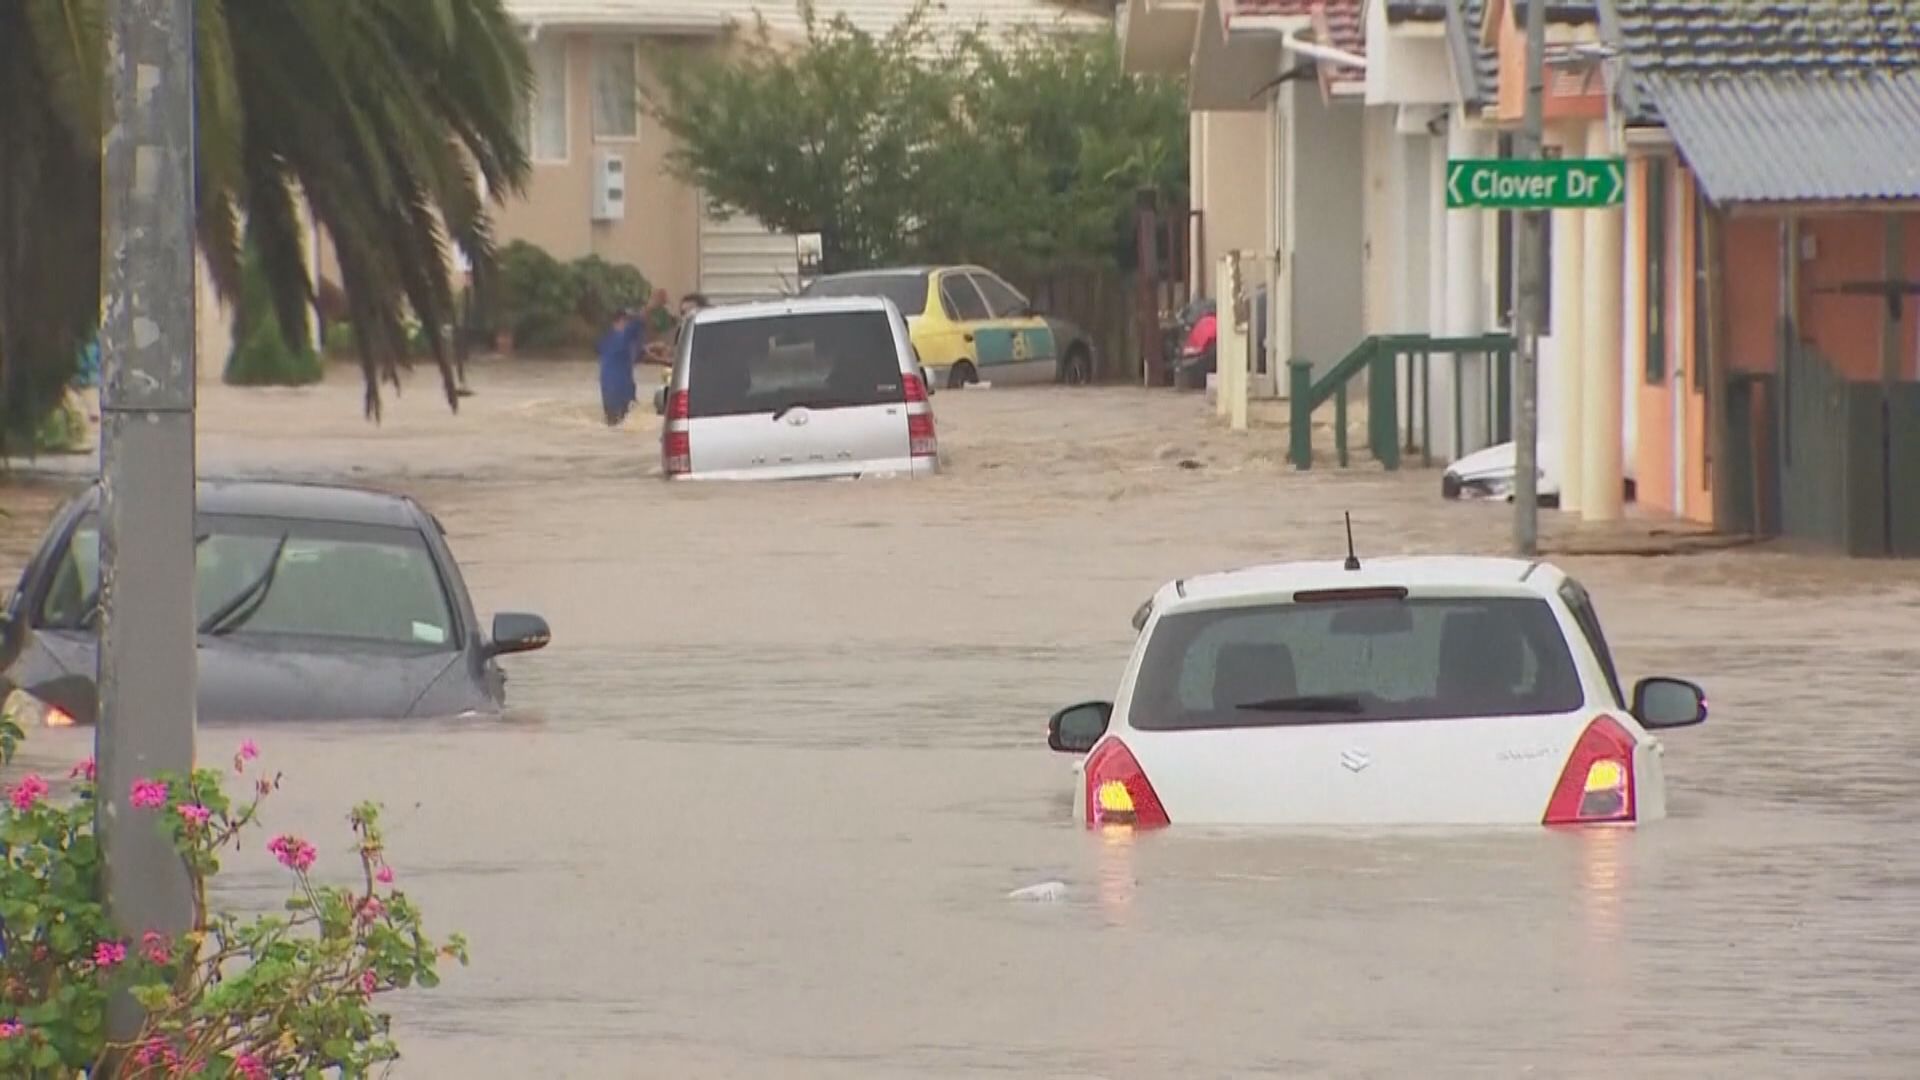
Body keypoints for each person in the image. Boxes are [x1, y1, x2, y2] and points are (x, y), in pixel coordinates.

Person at [597, 309, 646, 426]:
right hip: (621, 389)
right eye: (627, 321)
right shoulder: (624, 335)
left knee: (612, 422)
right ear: (620, 321)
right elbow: (642, 317)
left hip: (608, 388)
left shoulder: (606, 340)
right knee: (625, 422)